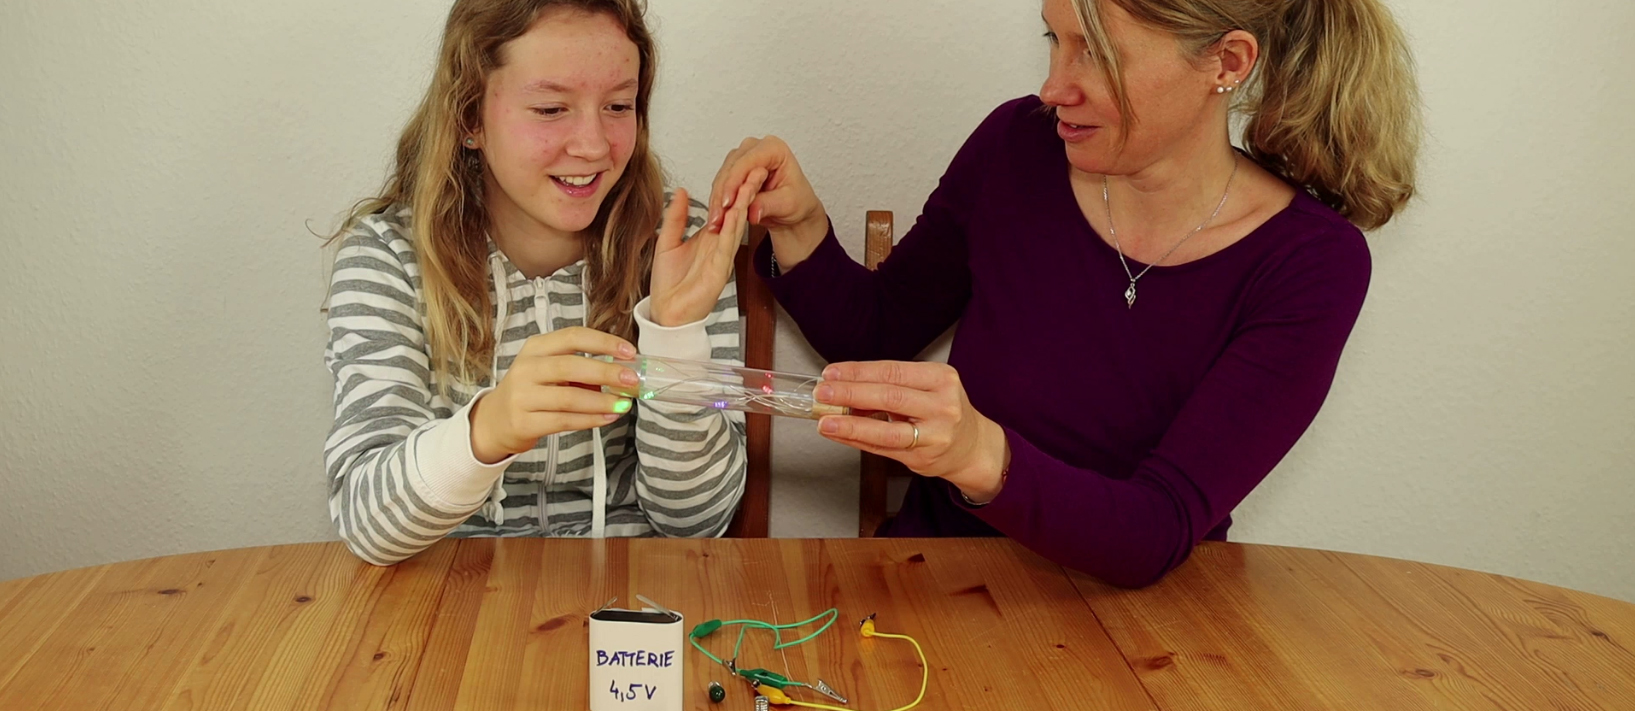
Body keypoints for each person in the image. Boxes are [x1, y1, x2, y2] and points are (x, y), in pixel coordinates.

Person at [706, 0, 1419, 587]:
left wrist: (979, 453)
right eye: (1055, 40)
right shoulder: (1017, 145)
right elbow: (875, 334)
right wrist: (800, 225)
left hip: (1145, 638)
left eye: (1097, 53)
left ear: (1227, 63)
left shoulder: (1309, 263)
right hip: (937, 586)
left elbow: (1155, 528)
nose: (1054, 88)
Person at [323, 0, 764, 565]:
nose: (594, 145)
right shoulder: (389, 254)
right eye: (552, 108)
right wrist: (489, 430)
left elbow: (696, 522)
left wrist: (673, 336)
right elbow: (368, 526)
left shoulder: (680, 244)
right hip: (449, 595)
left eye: (619, 105)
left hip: (633, 590)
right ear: (469, 118)